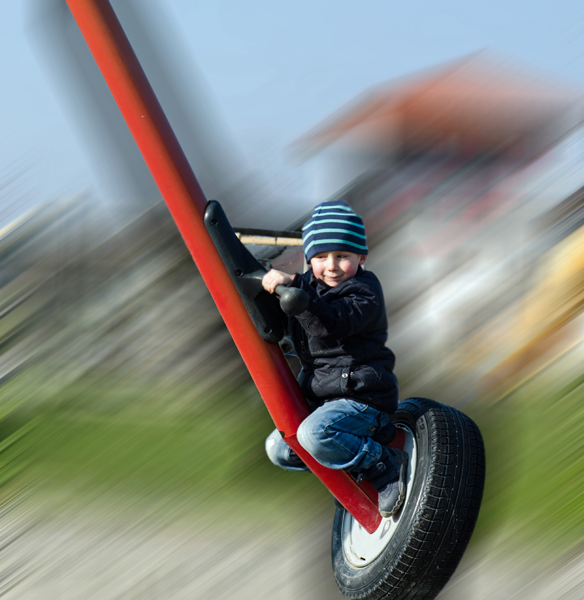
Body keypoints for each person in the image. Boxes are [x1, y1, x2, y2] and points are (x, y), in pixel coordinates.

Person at [261, 200, 408, 517]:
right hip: (325, 399)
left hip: (362, 398)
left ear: (362, 258)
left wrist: (296, 292)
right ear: (308, 259)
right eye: (321, 257)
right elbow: (291, 318)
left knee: (314, 435)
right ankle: (350, 469)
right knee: (280, 448)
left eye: (343, 256)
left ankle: (383, 465)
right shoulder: (308, 289)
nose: (331, 266)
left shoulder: (363, 292)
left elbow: (330, 325)